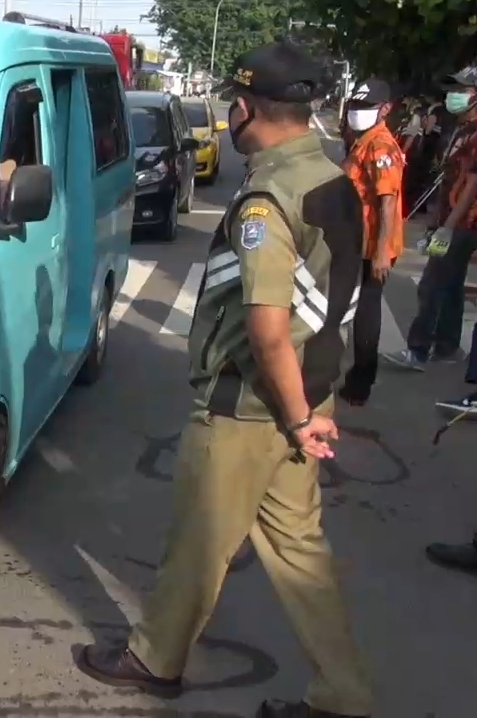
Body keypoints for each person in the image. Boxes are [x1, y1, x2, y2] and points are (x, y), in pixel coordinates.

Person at [73, 42, 373, 718]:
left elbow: (268, 330)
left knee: (199, 541)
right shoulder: (330, 179)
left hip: (252, 404)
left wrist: (296, 417)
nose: (232, 115)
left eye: (235, 104)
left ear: (248, 110)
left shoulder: (269, 199)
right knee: (301, 555)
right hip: (303, 393)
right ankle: (344, 695)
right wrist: (311, 408)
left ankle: (155, 660)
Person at [381, 64, 477, 371]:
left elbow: (472, 185)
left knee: (432, 283)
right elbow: (447, 179)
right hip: (450, 219)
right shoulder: (461, 130)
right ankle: (447, 345)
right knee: (451, 283)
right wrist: (435, 223)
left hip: (463, 222)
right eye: (453, 89)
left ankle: (418, 349)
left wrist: (447, 228)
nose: (453, 95)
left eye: (462, 90)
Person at [338, 79, 405, 406]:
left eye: (366, 106)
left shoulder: (381, 146)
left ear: (385, 109)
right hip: (357, 241)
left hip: (371, 246)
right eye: (355, 105)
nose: (357, 112)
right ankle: (357, 377)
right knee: (357, 308)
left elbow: (387, 201)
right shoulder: (363, 141)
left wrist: (380, 252)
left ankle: (361, 381)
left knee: (366, 312)